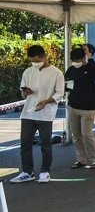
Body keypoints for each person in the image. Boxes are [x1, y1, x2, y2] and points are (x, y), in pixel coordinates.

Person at [10, 45, 65, 184]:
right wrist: (25, 92)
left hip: (46, 113)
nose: (34, 64)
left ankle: (45, 171)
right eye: (32, 61)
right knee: (25, 144)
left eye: (36, 60)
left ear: (43, 57)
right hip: (28, 112)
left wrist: (46, 101)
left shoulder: (56, 73)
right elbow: (23, 93)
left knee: (45, 143)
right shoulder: (28, 72)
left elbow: (60, 93)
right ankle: (27, 172)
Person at [66, 46, 95, 169]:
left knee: (87, 134)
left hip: (87, 107)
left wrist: (89, 57)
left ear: (83, 58)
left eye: (78, 59)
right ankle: (81, 159)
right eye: (73, 60)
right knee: (76, 135)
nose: (76, 62)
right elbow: (67, 85)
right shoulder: (70, 70)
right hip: (73, 105)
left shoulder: (91, 68)